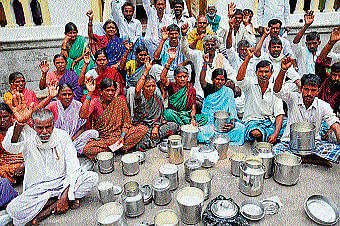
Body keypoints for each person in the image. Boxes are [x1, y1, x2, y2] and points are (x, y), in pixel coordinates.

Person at [3, 101, 98, 225]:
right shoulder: (28, 137)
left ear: (53, 124)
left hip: (62, 183)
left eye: (48, 127)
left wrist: (65, 193)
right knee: (13, 210)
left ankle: (47, 210)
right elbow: (10, 146)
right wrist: (20, 124)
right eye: (40, 128)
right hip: (38, 189)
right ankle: (57, 203)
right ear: (34, 126)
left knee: (92, 177)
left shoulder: (62, 136)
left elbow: (73, 167)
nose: (44, 131)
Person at [273, 58, 340, 165]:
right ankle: (311, 160)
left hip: (312, 146)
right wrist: (282, 70)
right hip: (290, 143)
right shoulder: (293, 98)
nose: (309, 93)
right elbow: (277, 91)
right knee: (276, 151)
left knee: (337, 151)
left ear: (318, 91)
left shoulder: (323, 105)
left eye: (313, 90)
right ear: (301, 89)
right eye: (306, 89)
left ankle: (300, 158)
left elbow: (334, 123)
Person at [81, 78, 148, 160]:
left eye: (113, 90)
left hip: (119, 136)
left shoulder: (120, 101)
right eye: (107, 90)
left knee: (142, 129)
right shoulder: (95, 102)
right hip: (104, 139)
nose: (110, 93)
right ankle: (118, 148)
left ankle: (111, 150)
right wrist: (90, 93)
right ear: (101, 91)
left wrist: (122, 136)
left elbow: (126, 123)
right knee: (87, 149)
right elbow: (83, 115)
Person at [237, 48, 286, 144]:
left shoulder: (275, 89)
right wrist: (248, 58)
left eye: (266, 72)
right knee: (256, 133)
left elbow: (279, 114)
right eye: (261, 72)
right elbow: (239, 78)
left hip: (270, 121)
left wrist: (275, 134)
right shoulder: (250, 85)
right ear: (256, 73)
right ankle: (267, 137)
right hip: (253, 122)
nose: (263, 74)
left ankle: (271, 136)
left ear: (271, 73)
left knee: (289, 126)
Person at [133, 58, 179, 149]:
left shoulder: (157, 96)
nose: (151, 88)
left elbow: (160, 115)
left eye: (153, 86)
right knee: (140, 140)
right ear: (143, 87)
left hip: (155, 126)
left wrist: (156, 126)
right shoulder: (140, 97)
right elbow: (137, 90)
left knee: (174, 125)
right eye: (148, 86)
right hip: (143, 127)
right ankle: (155, 139)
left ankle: (154, 138)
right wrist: (146, 71)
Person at [181, 23, 236, 97]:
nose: (210, 47)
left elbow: (232, 74)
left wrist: (232, 83)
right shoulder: (198, 55)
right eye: (207, 44)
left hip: (216, 95)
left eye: (212, 45)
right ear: (204, 46)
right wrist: (184, 35)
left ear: (216, 46)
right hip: (199, 93)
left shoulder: (220, 57)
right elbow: (185, 51)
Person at [46, 83, 99, 154]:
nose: (67, 97)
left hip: (72, 141)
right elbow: (39, 114)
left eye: (69, 94)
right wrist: (50, 97)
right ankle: (68, 151)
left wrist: (71, 139)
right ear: (58, 96)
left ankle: (69, 151)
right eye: (64, 94)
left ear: (73, 95)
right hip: (57, 142)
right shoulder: (53, 105)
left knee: (94, 133)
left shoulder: (78, 105)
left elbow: (82, 127)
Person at [198, 69, 245, 145]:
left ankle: (217, 138)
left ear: (225, 81)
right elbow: (202, 80)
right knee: (200, 132)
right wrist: (204, 65)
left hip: (225, 123)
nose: (219, 82)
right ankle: (220, 138)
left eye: (222, 80)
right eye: (217, 79)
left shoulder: (228, 92)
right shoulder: (208, 88)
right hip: (210, 123)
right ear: (212, 79)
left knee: (241, 128)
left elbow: (232, 110)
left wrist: (232, 124)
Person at [161, 55, 208, 126]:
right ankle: (186, 125)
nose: (182, 79)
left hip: (186, 115)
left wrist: (192, 118)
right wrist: (170, 60)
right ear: (175, 78)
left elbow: (193, 107)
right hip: (175, 114)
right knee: (167, 113)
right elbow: (162, 78)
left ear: (187, 77)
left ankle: (184, 124)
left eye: (185, 76)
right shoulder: (172, 86)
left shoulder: (191, 89)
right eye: (180, 77)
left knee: (204, 118)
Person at [315, 26, 340, 114]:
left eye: (339, 76)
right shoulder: (325, 79)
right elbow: (320, 62)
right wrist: (331, 42)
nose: (336, 78)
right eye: (334, 75)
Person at [0, 103, 24, 185]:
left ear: (12, 116)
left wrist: (23, 165)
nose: (2, 120)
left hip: (22, 162)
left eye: (5, 116)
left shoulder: (19, 128)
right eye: (0, 118)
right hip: (5, 164)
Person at [292, 11, 321, 75]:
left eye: (314, 43)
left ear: (319, 43)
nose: (312, 46)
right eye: (309, 44)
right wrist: (306, 25)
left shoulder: (321, 54)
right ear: (306, 44)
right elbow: (295, 42)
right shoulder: (302, 51)